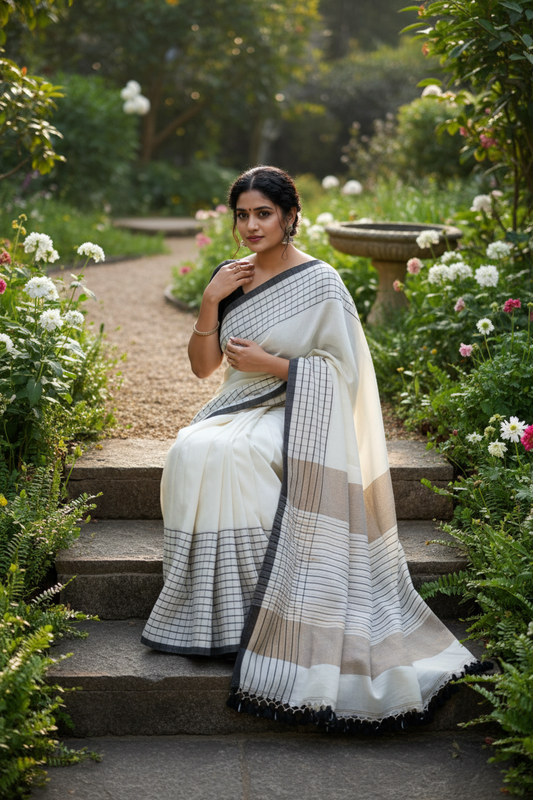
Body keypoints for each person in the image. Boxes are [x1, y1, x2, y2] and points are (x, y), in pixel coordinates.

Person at [141, 165, 484, 732]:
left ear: (290, 217)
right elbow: (204, 368)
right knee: (191, 448)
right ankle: (220, 617)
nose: (251, 225)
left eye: (263, 214)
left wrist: (274, 365)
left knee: (235, 457)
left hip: (303, 413)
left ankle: (269, 619)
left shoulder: (320, 281)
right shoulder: (232, 278)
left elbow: (346, 374)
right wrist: (209, 300)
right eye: (242, 215)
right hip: (237, 405)